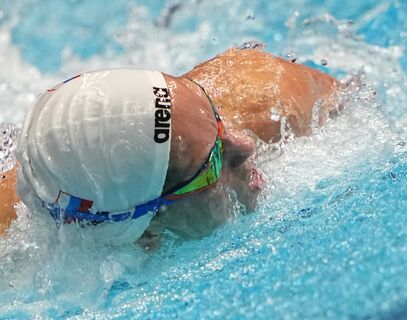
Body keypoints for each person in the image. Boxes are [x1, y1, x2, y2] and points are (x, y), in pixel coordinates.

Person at [0, 47, 340, 246]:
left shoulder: (269, 99)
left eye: (216, 117)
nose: (245, 145)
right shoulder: (16, 262)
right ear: (142, 228)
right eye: (211, 164)